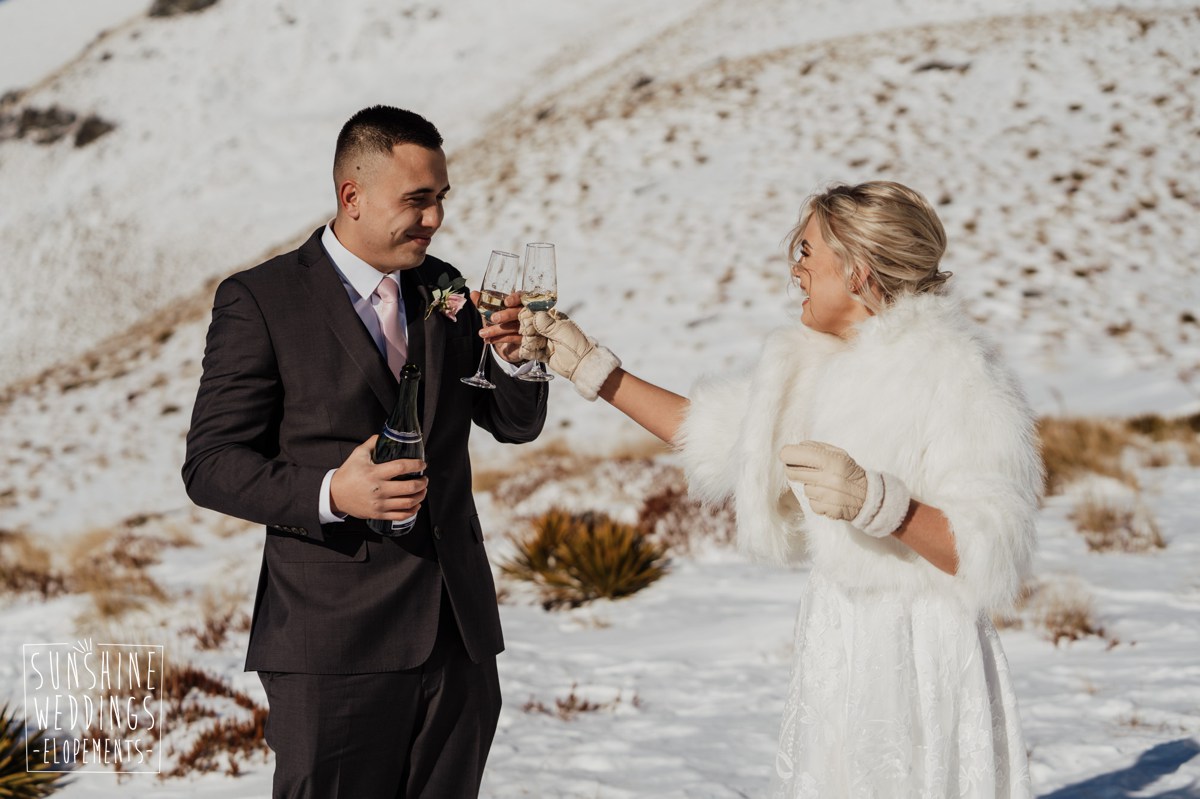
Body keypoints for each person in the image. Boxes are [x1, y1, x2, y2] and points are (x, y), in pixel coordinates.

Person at [519, 181, 1040, 797]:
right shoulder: (808, 361)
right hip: (838, 628)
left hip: (922, 645)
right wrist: (593, 370)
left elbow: (988, 546)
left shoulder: (956, 372)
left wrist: (881, 503)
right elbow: (713, 436)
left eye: (806, 252)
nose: (794, 270)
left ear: (857, 269)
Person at [182, 105, 547, 798]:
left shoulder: (446, 287)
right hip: (333, 646)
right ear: (352, 196)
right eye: (417, 199)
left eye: (440, 198)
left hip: (457, 639)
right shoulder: (259, 301)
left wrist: (519, 361)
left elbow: (510, 422)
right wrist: (332, 494)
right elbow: (212, 463)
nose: (435, 218)